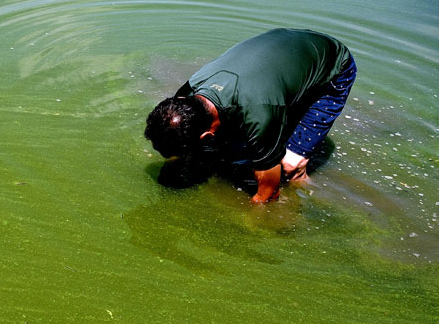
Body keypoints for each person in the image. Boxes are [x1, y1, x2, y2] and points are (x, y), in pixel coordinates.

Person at [144, 28, 357, 203]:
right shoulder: (186, 94)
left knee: (290, 165)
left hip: (332, 65)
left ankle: (312, 196)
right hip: (283, 52)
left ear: (206, 135)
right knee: (230, 150)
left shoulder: (259, 113)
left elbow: (269, 194)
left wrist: (251, 226)